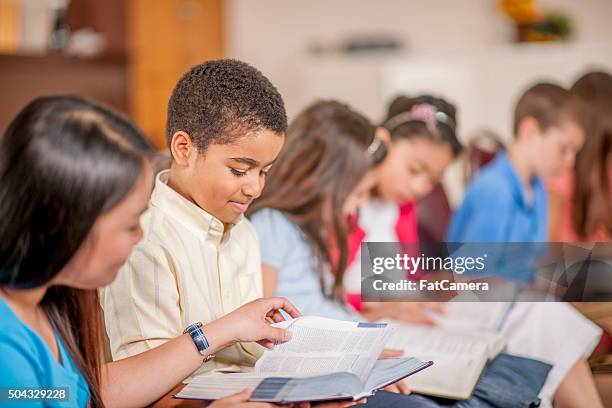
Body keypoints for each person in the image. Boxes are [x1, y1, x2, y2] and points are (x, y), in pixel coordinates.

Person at [0, 95, 321, 408]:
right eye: (129, 224)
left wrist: (225, 330)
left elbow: (86, 396)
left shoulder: (49, 307)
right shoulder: (7, 342)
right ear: (68, 221)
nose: (140, 235)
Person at [101, 59, 289, 376]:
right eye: (240, 170)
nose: (255, 188)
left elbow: (249, 353)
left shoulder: (244, 232)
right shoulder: (144, 240)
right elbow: (146, 383)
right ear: (184, 149)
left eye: (264, 172)